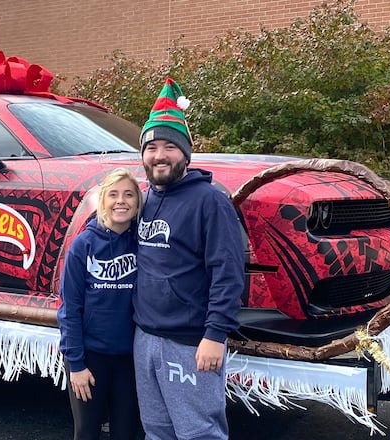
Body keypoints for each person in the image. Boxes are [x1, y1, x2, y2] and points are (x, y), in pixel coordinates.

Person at [133, 78, 245, 439]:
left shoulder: (210, 202)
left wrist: (215, 334)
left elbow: (227, 272)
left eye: (169, 146)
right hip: (145, 336)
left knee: (199, 432)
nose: (159, 155)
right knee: (156, 430)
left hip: (191, 342)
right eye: (151, 147)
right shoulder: (143, 200)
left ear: (185, 154)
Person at [57, 168, 143, 440]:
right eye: (114, 195)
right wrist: (77, 364)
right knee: (87, 431)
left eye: (129, 195)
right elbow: (69, 309)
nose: (121, 201)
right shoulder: (83, 244)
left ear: (138, 202)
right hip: (90, 358)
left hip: (130, 359)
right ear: (103, 201)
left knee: (127, 432)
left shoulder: (143, 245)